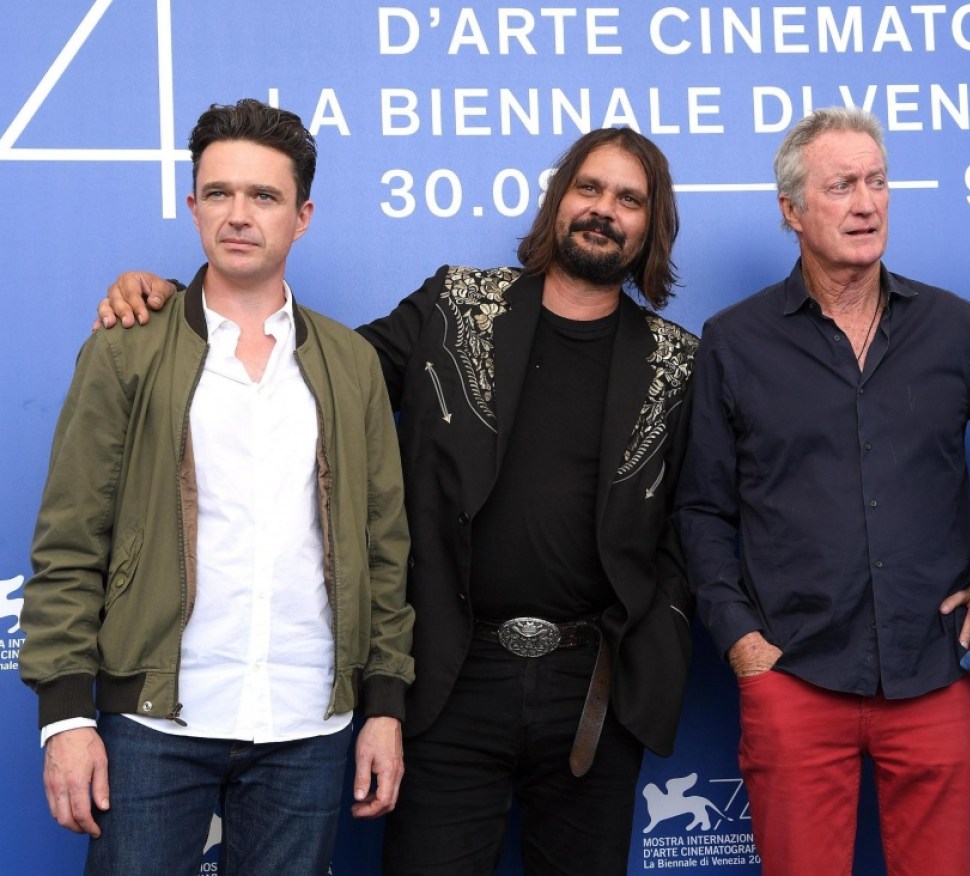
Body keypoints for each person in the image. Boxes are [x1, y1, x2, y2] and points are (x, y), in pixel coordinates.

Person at [98, 126, 698, 875]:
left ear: (652, 223)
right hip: (451, 674)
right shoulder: (456, 306)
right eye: (588, 188)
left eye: (628, 199)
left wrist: (661, 639)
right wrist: (181, 309)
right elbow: (308, 374)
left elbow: (695, 519)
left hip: (596, 693)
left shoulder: (678, 362)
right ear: (557, 201)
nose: (603, 209)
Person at [22, 99, 414, 876]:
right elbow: (70, 539)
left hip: (310, 723)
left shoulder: (349, 363)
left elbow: (383, 552)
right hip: (153, 721)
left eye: (263, 197)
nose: (239, 215)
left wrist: (384, 708)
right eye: (219, 193)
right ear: (192, 203)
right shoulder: (127, 348)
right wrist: (65, 716)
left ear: (301, 216)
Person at [674, 107, 970, 876]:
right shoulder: (735, 340)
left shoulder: (957, 330)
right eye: (841, 185)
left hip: (935, 675)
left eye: (877, 182)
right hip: (794, 677)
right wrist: (741, 640)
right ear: (790, 210)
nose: (866, 203)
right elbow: (700, 507)